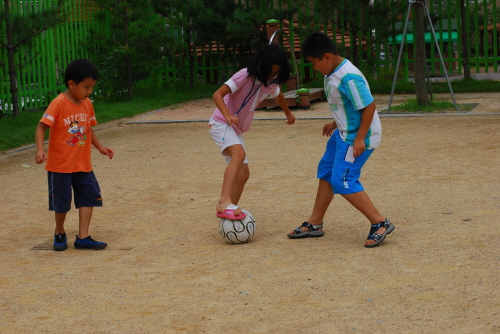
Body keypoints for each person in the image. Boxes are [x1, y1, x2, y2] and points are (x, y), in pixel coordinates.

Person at [287, 32, 394, 247]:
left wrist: (359, 139)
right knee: (326, 171)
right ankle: (315, 223)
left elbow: (368, 106)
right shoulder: (331, 73)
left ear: (327, 57)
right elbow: (348, 105)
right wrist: (335, 122)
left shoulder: (348, 77)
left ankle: (380, 222)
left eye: (314, 63)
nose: (314, 68)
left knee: (342, 180)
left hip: (357, 137)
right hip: (343, 133)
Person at [209, 42, 296, 220]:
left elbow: (278, 94)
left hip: (236, 129)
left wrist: (288, 113)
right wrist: (227, 115)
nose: (273, 76)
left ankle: (229, 209)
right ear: (261, 66)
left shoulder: (270, 82)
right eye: (271, 72)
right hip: (220, 122)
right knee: (238, 155)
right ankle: (223, 201)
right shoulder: (244, 75)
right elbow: (218, 94)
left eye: (277, 73)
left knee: (244, 173)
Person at [35, 59, 114, 251]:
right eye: (86, 87)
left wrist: (100, 147)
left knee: (89, 196)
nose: (89, 92)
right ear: (71, 84)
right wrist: (40, 150)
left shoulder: (87, 104)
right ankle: (59, 232)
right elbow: (41, 127)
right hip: (60, 166)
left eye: (92, 87)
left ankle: (83, 237)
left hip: (83, 164)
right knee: (61, 203)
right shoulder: (58, 103)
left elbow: (88, 129)